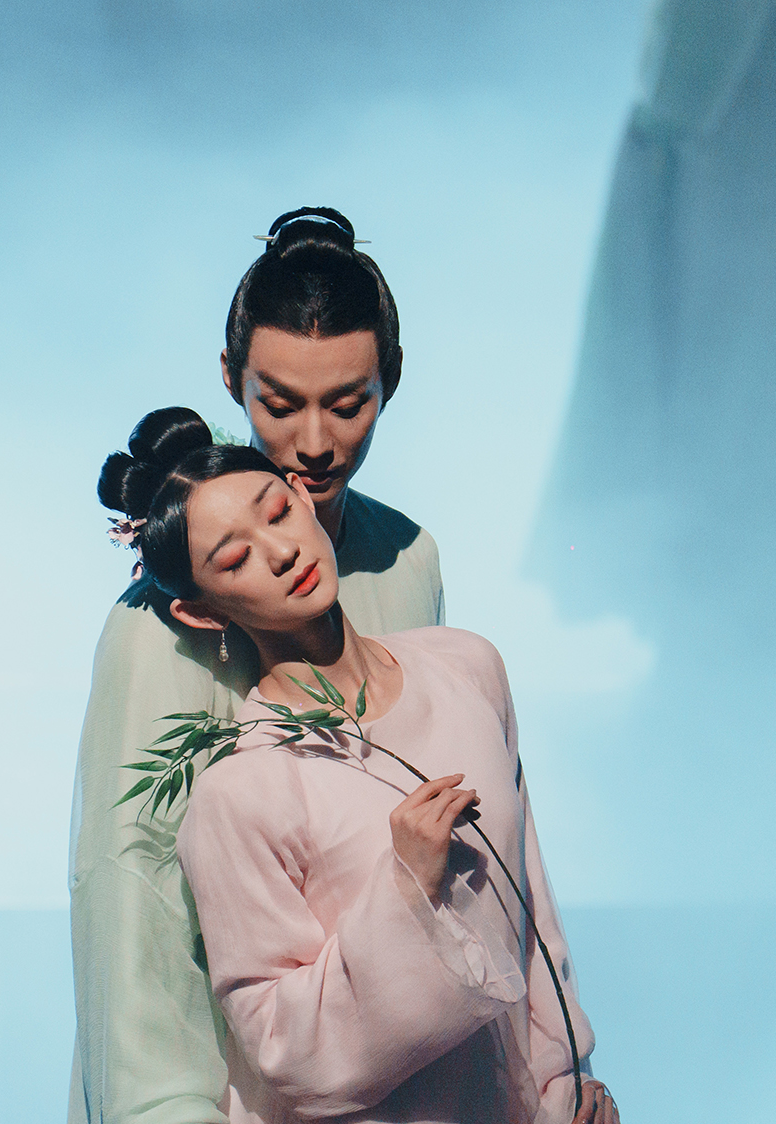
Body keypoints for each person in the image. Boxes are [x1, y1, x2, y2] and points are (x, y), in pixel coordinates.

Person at [101, 407, 615, 1123]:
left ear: (300, 494)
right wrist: (406, 889)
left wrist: (570, 1082)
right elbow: (284, 1050)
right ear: (201, 612)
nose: (281, 552)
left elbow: (532, 915)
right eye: (235, 559)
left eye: (277, 512)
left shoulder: (467, 667)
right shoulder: (241, 791)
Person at [68, 208, 443, 1124]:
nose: (314, 442)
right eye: (278, 405)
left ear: (391, 380)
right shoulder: (156, 629)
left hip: (403, 1070)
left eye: (347, 404)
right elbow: (131, 887)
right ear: (231, 379)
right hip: (229, 1089)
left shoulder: (406, 559)